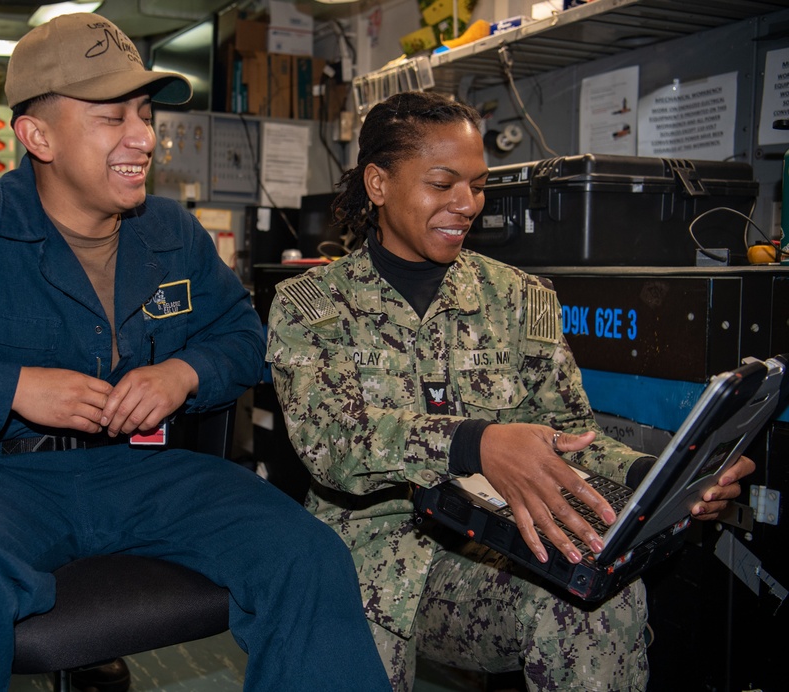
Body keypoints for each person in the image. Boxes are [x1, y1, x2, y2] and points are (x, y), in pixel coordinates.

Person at [0, 13, 390, 692]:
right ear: (37, 135)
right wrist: (10, 387)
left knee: (310, 557)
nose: (144, 136)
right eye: (112, 117)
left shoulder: (171, 232)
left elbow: (244, 338)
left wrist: (185, 372)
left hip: (145, 473)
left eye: (144, 113)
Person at [265, 91, 755, 691]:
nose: (466, 204)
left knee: (599, 604)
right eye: (442, 184)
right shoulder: (311, 307)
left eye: (477, 185)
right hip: (360, 563)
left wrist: (658, 479)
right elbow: (331, 447)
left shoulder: (520, 298)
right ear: (378, 183)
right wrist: (476, 444)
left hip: (487, 552)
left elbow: (572, 437)